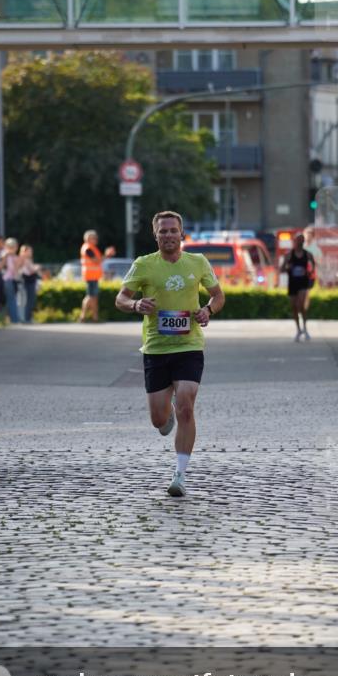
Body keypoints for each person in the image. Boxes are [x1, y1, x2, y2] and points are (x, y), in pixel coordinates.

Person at [115, 210, 224, 498]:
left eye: (173, 230)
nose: (168, 235)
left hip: (189, 346)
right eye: (163, 231)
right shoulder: (144, 265)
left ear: (182, 233)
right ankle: (167, 419)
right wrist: (136, 305)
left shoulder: (197, 262)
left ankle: (180, 474)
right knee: (158, 419)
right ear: (156, 235)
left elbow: (218, 294)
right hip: (156, 348)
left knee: (186, 404)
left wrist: (207, 310)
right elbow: (120, 298)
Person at [281, 232, 316, 341]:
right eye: (298, 240)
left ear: (303, 242)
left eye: (301, 240)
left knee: (301, 305)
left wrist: (309, 273)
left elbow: (313, 266)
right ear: (295, 241)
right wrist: (288, 268)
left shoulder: (307, 254)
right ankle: (298, 329)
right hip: (293, 284)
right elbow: (282, 269)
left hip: (303, 283)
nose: (300, 242)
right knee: (294, 307)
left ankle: (305, 328)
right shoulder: (289, 255)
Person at [79, 230, 113, 323]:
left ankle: (94, 317)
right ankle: (83, 316)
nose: (96, 239)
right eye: (94, 238)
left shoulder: (91, 248)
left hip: (92, 276)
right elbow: (96, 261)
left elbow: (98, 261)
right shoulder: (88, 248)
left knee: (93, 297)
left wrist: (107, 256)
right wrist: (107, 255)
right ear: (88, 239)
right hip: (90, 276)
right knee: (90, 296)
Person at [1, 237, 23, 323]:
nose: (14, 248)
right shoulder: (5, 255)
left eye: (14, 246)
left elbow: (16, 269)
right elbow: (10, 269)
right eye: (11, 246)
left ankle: (9, 319)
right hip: (7, 279)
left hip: (12, 280)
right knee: (12, 300)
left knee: (11, 300)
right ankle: (15, 319)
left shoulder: (14, 257)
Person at [19, 244, 41, 323]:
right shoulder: (24, 259)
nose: (31, 253)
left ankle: (28, 317)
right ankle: (27, 318)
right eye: (29, 251)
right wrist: (37, 268)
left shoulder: (28, 259)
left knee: (30, 300)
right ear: (24, 251)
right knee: (29, 300)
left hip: (30, 280)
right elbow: (31, 270)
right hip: (28, 281)